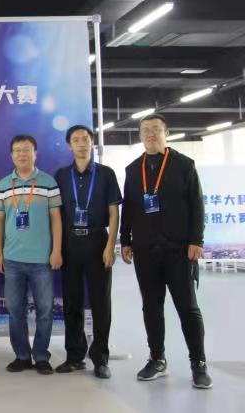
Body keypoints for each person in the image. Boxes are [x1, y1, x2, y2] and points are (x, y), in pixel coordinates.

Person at [120, 113, 212, 389]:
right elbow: (129, 208)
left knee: (188, 307)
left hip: (179, 249)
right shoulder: (133, 169)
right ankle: (157, 358)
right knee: (151, 307)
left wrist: (196, 240)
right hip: (145, 250)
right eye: (145, 130)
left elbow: (197, 205)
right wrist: (126, 240)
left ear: (166, 133)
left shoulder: (184, 165)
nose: (150, 134)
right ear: (140, 136)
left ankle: (198, 363)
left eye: (155, 129)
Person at [54, 125, 122, 379]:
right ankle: (74, 356)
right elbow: (56, 215)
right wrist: (57, 248)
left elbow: (114, 213)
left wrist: (110, 246)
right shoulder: (61, 175)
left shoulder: (106, 174)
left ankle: (100, 359)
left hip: (97, 241)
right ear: (69, 145)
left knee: (100, 303)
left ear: (92, 143)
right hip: (70, 243)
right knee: (71, 302)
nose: (81, 143)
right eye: (76, 139)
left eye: (85, 139)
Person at [0, 134, 63, 375]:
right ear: (11, 155)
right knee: (15, 312)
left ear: (35, 153)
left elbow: (56, 219)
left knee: (45, 311)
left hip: (42, 259)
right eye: (17, 150)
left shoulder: (48, 182)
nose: (22, 154)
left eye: (26, 150)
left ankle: (41, 356)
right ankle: (22, 356)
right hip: (12, 259)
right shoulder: (4, 184)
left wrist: (56, 251)